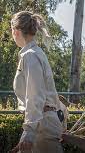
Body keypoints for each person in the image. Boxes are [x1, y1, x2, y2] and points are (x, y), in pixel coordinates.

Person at [10, 11, 66, 153]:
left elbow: (35, 97)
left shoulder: (30, 56)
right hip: (43, 124)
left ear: (16, 31)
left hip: (42, 126)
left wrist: (28, 134)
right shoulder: (36, 53)